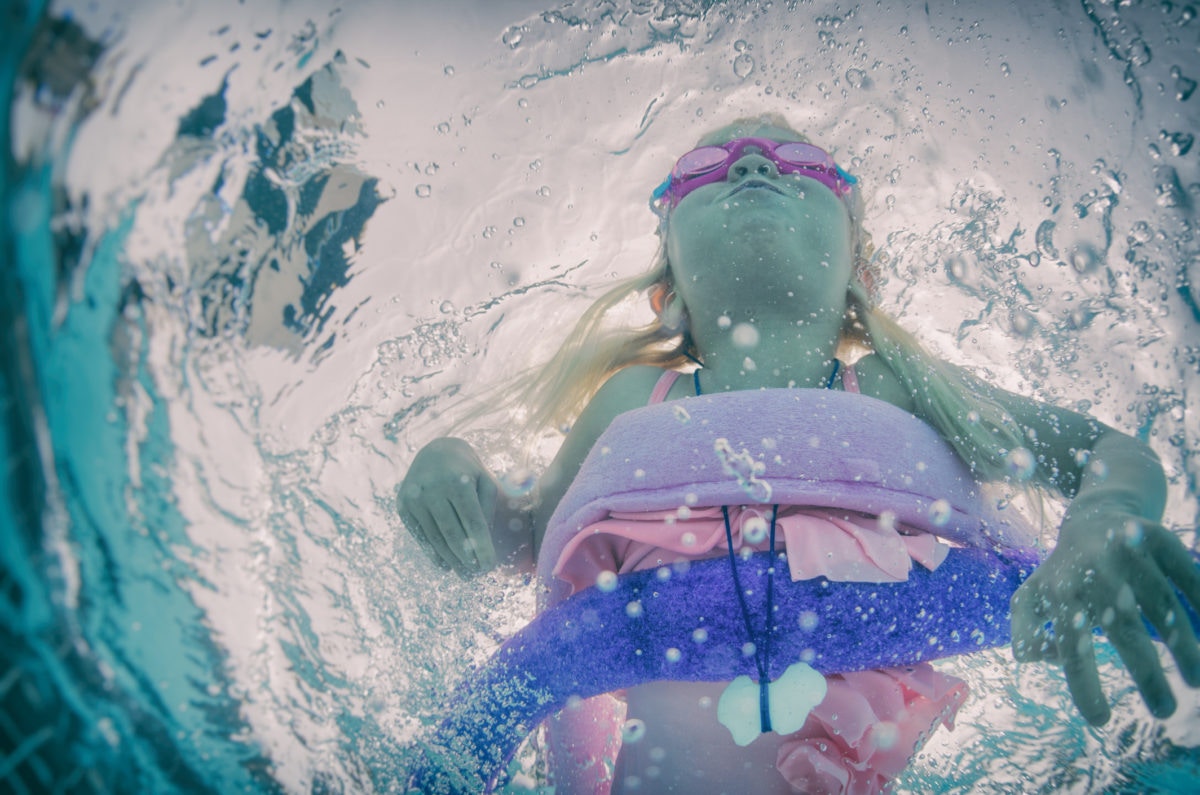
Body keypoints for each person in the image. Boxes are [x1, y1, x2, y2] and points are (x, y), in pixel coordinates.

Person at [398, 114, 1200, 794]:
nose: (752, 162)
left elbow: (1101, 452)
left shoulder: (899, 386)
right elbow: (525, 539)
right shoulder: (631, 400)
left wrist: (1105, 517)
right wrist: (453, 470)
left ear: (860, 265)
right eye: (702, 169)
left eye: (803, 163)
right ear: (666, 280)